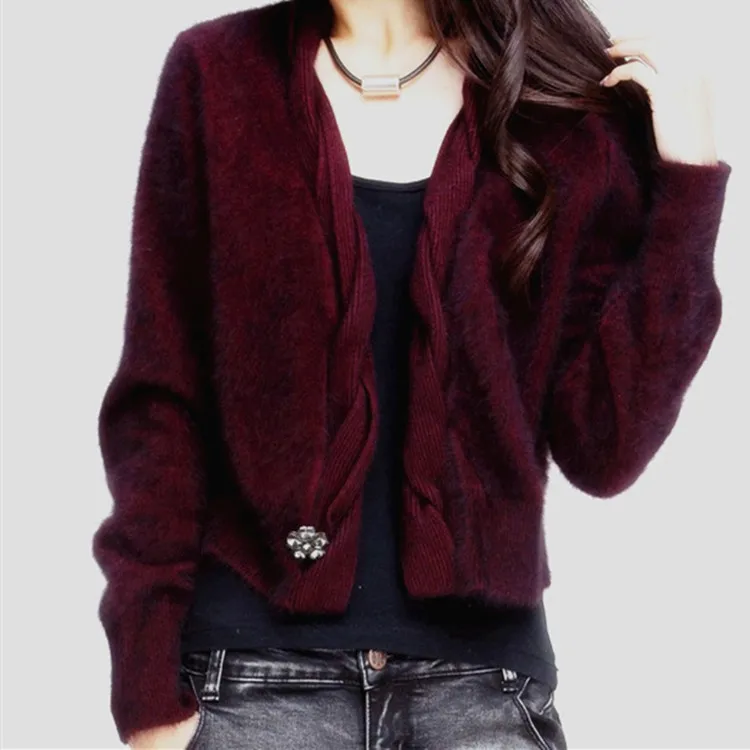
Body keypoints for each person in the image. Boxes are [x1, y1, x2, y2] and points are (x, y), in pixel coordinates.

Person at [91, 0, 731, 748]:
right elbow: (161, 402)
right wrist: (144, 692)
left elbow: (604, 445)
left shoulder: (556, 104)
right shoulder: (217, 71)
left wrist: (688, 184)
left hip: (483, 692)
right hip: (250, 685)